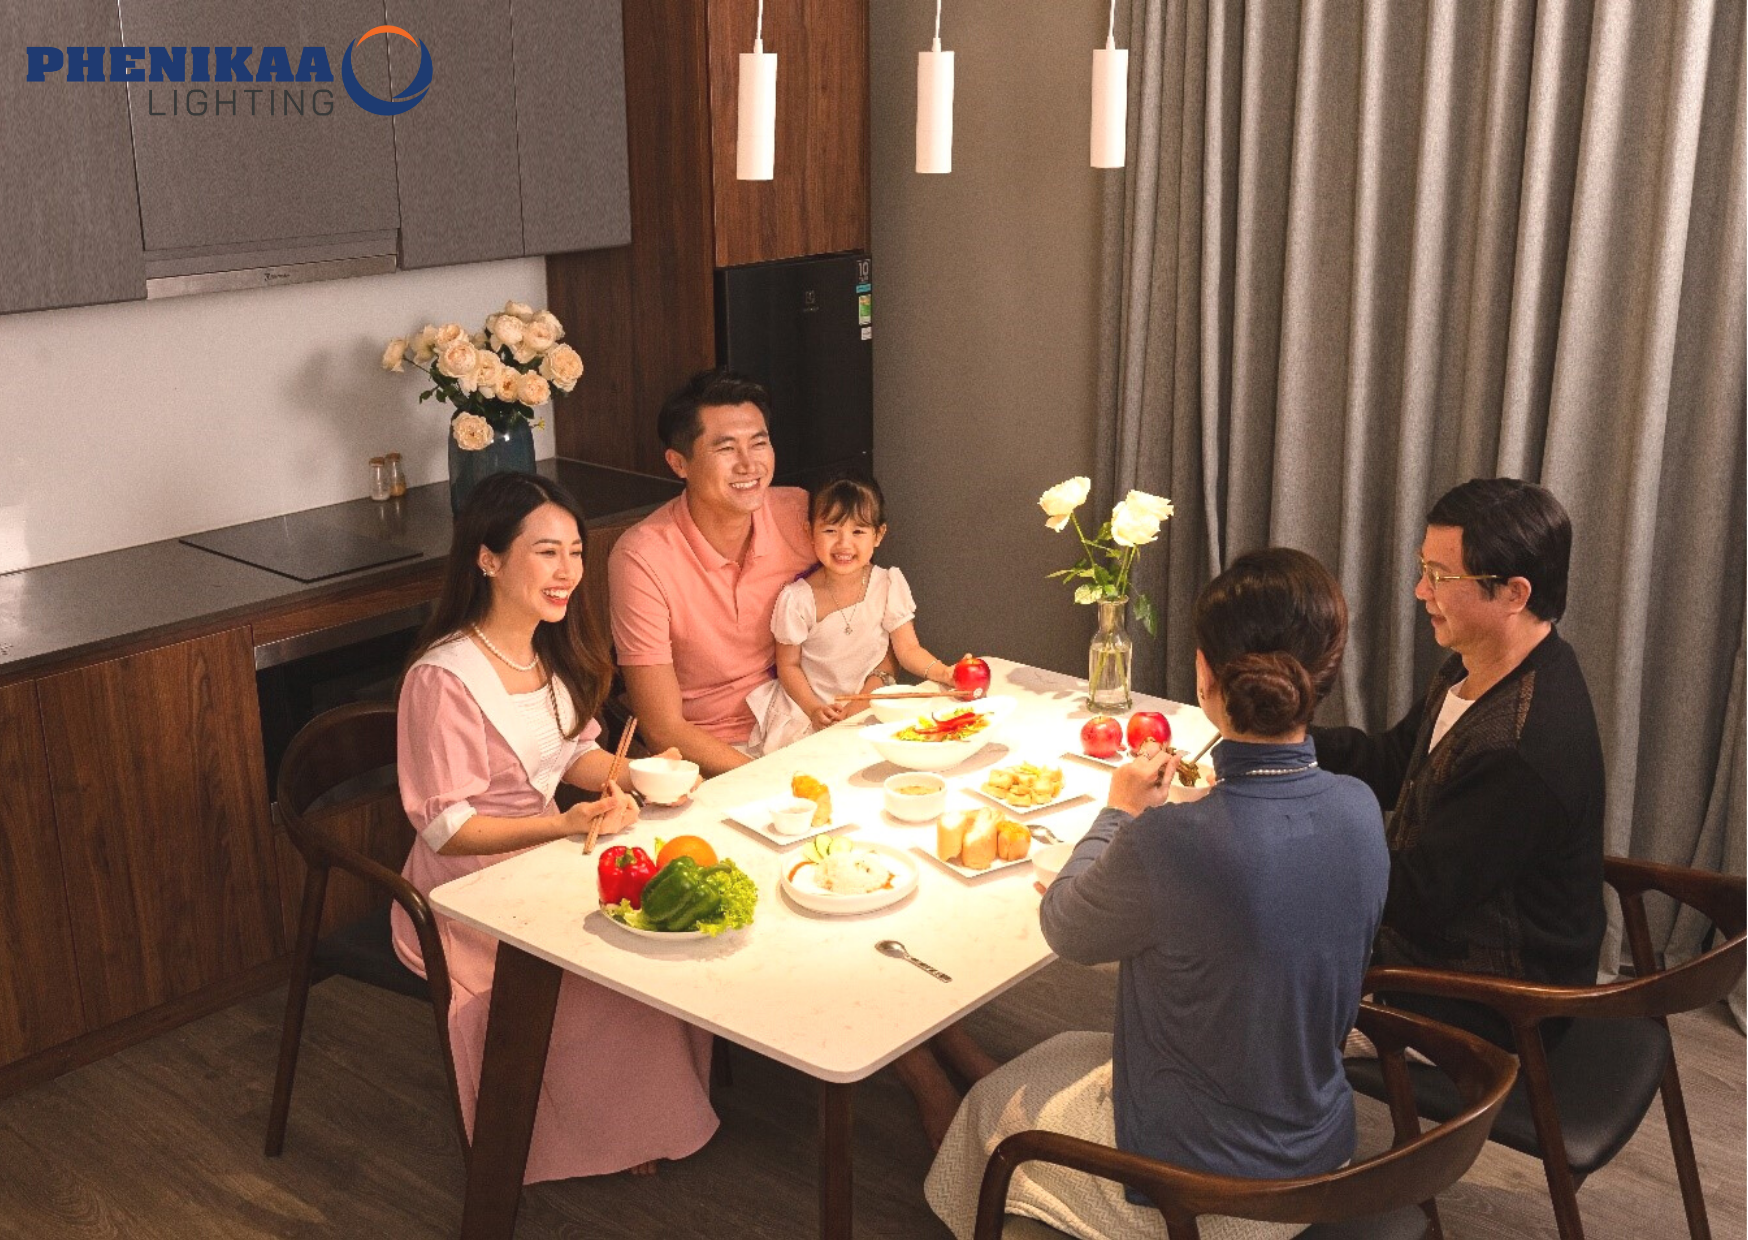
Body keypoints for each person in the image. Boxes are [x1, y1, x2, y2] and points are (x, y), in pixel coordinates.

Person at [925, 549, 1389, 1240]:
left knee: (987, 1113)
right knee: (1067, 1048)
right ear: (1327, 669)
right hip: (1319, 1148)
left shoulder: (1173, 840)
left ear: (1204, 674)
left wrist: (1119, 809)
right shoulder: (1360, 807)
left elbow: (1065, 926)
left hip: (1207, 1192)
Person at [391, 471, 718, 1182]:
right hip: (467, 887)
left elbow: (571, 754)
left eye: (575, 552)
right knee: (610, 959)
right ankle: (604, 1132)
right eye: (546, 552)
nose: (567, 571)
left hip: (546, 848)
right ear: (488, 558)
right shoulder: (443, 679)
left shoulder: (543, 653)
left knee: (664, 915)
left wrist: (640, 774)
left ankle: (646, 1116)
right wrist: (562, 825)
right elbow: (447, 828)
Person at [1313, 478, 1605, 1049]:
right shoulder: (1480, 664)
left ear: (1514, 593)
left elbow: (1416, 899)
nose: (1421, 590)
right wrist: (1282, 741)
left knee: (1257, 972)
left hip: (1491, 1005)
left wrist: (1292, 838)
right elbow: (1393, 762)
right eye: (1423, 568)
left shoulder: (1521, 748)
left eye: (1440, 576)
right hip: (1437, 942)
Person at [610, 369, 898, 774]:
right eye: (726, 448)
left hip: (814, 726)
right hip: (717, 752)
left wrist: (874, 688)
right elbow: (663, 729)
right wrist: (765, 778)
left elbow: (875, 609)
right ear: (679, 463)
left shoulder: (799, 514)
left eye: (759, 443)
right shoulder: (642, 557)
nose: (749, 464)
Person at [746, 472, 956, 753]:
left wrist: (944, 672)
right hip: (808, 712)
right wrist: (813, 708)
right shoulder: (796, 598)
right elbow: (788, 666)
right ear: (810, 532)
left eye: (858, 531)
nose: (844, 544)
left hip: (865, 707)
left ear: (878, 535)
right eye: (830, 531)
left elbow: (908, 649)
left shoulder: (888, 584)